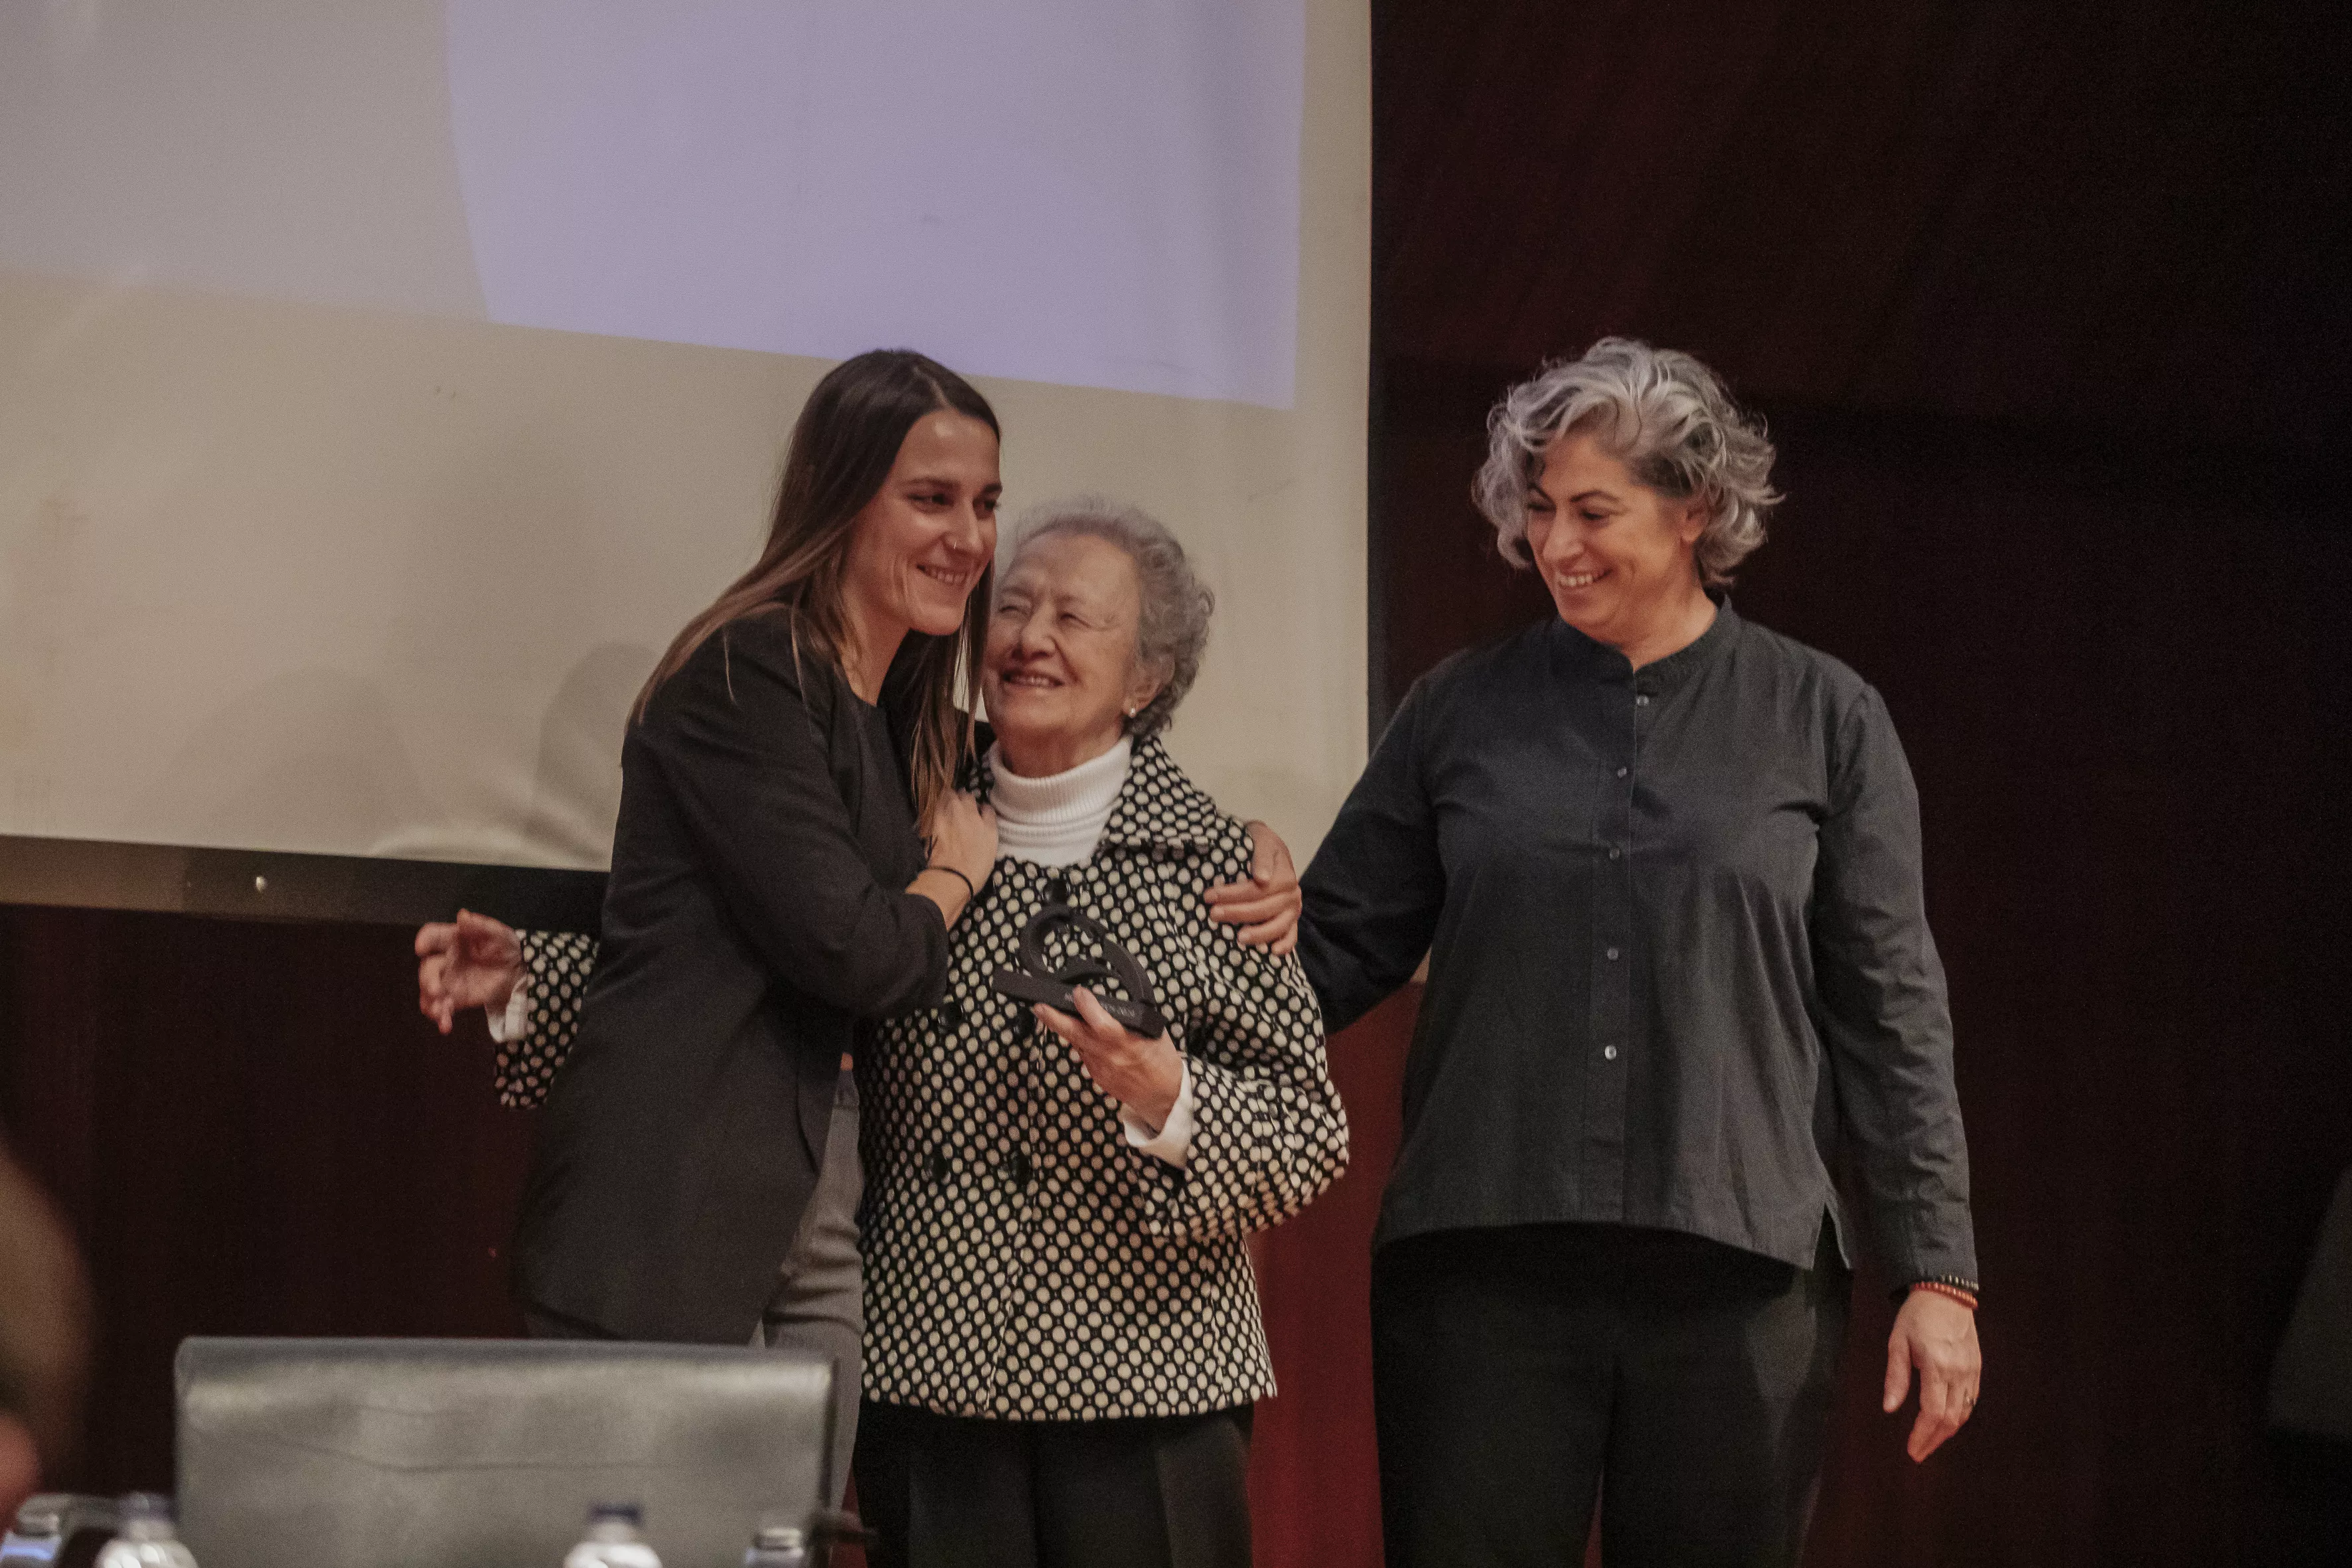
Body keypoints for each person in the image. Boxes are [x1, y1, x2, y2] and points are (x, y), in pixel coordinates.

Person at [427, 501, 1342, 1567]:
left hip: (1149, 1383)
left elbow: (1309, 1135)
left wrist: (1166, 1095)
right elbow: (747, 989)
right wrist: (530, 981)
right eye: (1013, 606)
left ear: (1146, 679)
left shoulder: (1221, 867)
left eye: (1074, 618)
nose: (1029, 637)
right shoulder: (899, 816)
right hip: (932, 1359)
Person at [1297, 338, 1983, 1566]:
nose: (1556, 543)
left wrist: (1937, 1272)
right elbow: (1329, 947)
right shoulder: (1458, 708)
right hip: (1484, 1265)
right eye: (1540, 509)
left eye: (1593, 510)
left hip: (1737, 1273)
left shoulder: (1826, 719)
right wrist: (1176, 971)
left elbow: (1891, 1013)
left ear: (1695, 509)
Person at [482, 348, 1008, 1510]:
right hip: (662, 1232)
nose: (968, 538)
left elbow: (1082, 747)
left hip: (810, 1224)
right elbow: (858, 951)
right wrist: (953, 879)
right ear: (840, 495)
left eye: (984, 504)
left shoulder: (891, 710)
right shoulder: (748, 669)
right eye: (931, 498)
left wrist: (1261, 853)